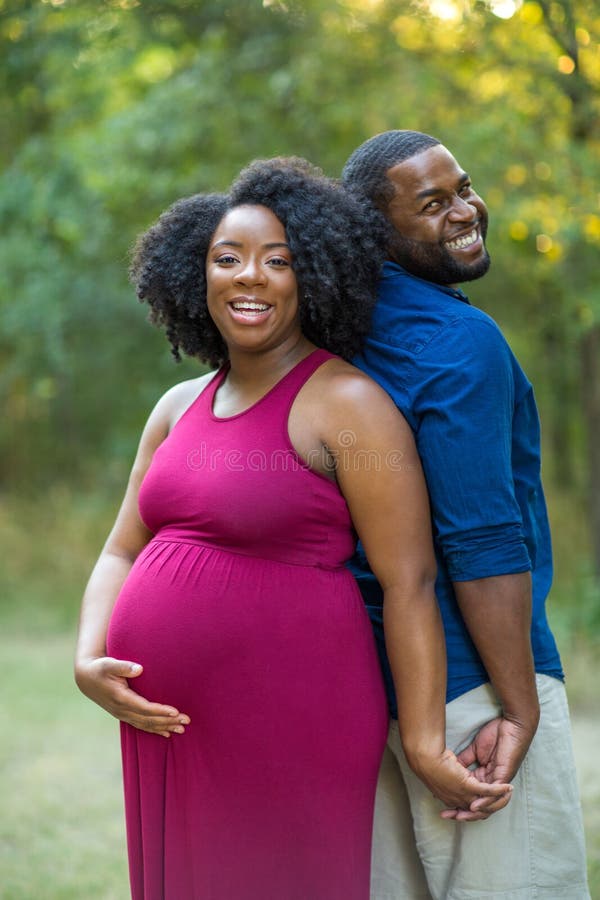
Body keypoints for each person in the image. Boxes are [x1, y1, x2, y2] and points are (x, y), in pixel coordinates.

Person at [74, 157, 510, 900]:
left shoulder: (347, 404)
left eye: (278, 261)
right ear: (195, 275)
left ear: (314, 276)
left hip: (294, 714)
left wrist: (423, 739)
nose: (250, 277)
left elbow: (409, 582)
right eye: (228, 259)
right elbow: (122, 548)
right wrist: (90, 656)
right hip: (167, 725)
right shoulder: (178, 406)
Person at [342, 130, 590, 900]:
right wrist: (518, 707)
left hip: (370, 691)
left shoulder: (331, 335)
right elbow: (481, 540)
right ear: (376, 232)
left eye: (464, 188)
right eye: (433, 203)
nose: (465, 210)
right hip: (474, 691)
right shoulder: (456, 341)